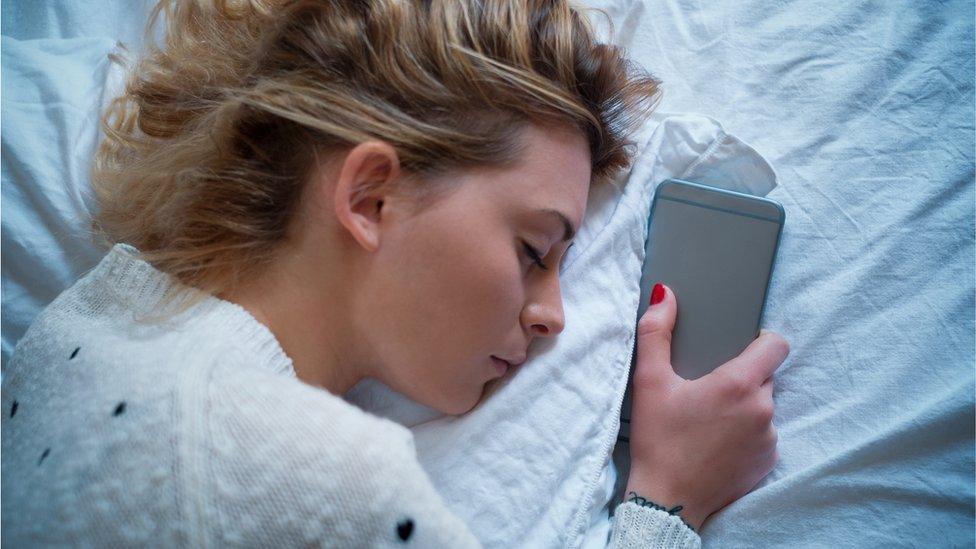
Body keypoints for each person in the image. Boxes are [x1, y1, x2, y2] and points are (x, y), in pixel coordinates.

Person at [0, 0, 789, 546]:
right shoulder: (325, 478)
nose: (555, 315)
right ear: (370, 196)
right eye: (533, 251)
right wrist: (667, 499)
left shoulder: (75, 325)